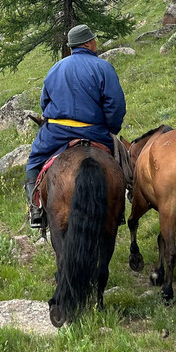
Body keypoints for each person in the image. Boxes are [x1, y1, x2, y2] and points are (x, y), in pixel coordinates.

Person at [24, 24, 126, 228]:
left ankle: (36, 209)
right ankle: (119, 209)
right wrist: (111, 129)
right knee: (121, 162)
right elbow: (115, 105)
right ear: (88, 43)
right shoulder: (103, 67)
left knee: (34, 162)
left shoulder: (55, 68)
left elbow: (45, 102)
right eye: (94, 39)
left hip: (57, 132)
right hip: (94, 131)